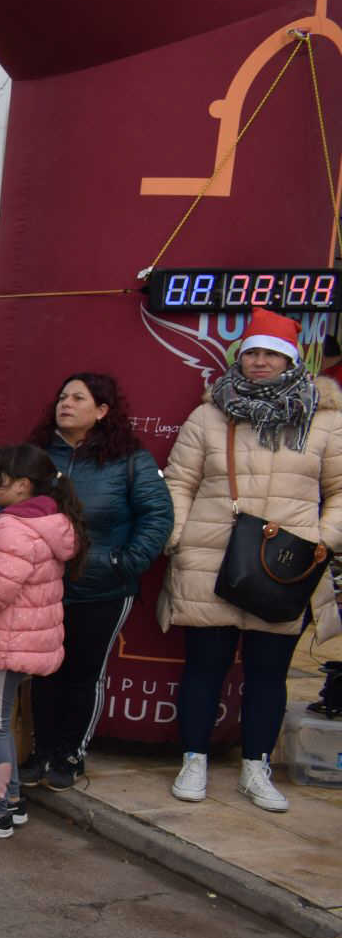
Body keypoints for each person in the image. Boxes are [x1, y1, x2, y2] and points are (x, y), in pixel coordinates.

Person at [163, 308, 342, 812]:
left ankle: (256, 766)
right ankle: (193, 760)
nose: (260, 361)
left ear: (291, 359)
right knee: (204, 667)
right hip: (209, 557)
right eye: (252, 353)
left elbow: (339, 490)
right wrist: (177, 538)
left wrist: (322, 540)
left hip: (288, 563)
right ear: (238, 358)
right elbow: (180, 482)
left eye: (271, 353)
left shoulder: (325, 420)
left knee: (268, 672)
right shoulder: (209, 415)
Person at [15, 373, 171, 791]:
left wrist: (123, 562)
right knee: (44, 671)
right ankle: (41, 752)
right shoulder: (37, 455)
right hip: (45, 585)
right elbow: (5, 501)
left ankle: (70, 754)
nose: (65, 403)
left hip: (103, 587)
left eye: (77, 398)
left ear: (102, 411)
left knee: (84, 673)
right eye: (62, 396)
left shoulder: (130, 459)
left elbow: (158, 515)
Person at [0, 444, 83, 838]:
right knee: (0, 721)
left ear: (23, 485)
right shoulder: (50, 521)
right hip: (21, 641)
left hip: (2, 641)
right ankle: (10, 800)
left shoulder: (12, 527)